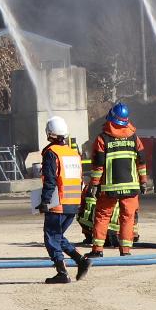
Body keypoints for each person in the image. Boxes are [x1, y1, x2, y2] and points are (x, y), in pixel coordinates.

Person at [34, 117, 90, 284]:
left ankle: (62, 272)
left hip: (57, 203)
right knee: (57, 236)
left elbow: (50, 180)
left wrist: (45, 201)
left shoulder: (51, 153)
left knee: (50, 236)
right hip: (73, 204)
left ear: (49, 134)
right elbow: (80, 179)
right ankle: (81, 261)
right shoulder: (73, 153)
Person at [85, 103, 143, 258]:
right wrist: (143, 181)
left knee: (102, 216)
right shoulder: (134, 138)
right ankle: (126, 251)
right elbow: (141, 162)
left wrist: (94, 185)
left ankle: (97, 250)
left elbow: (98, 166)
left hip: (109, 187)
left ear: (110, 118)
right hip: (131, 186)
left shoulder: (102, 139)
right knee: (127, 218)